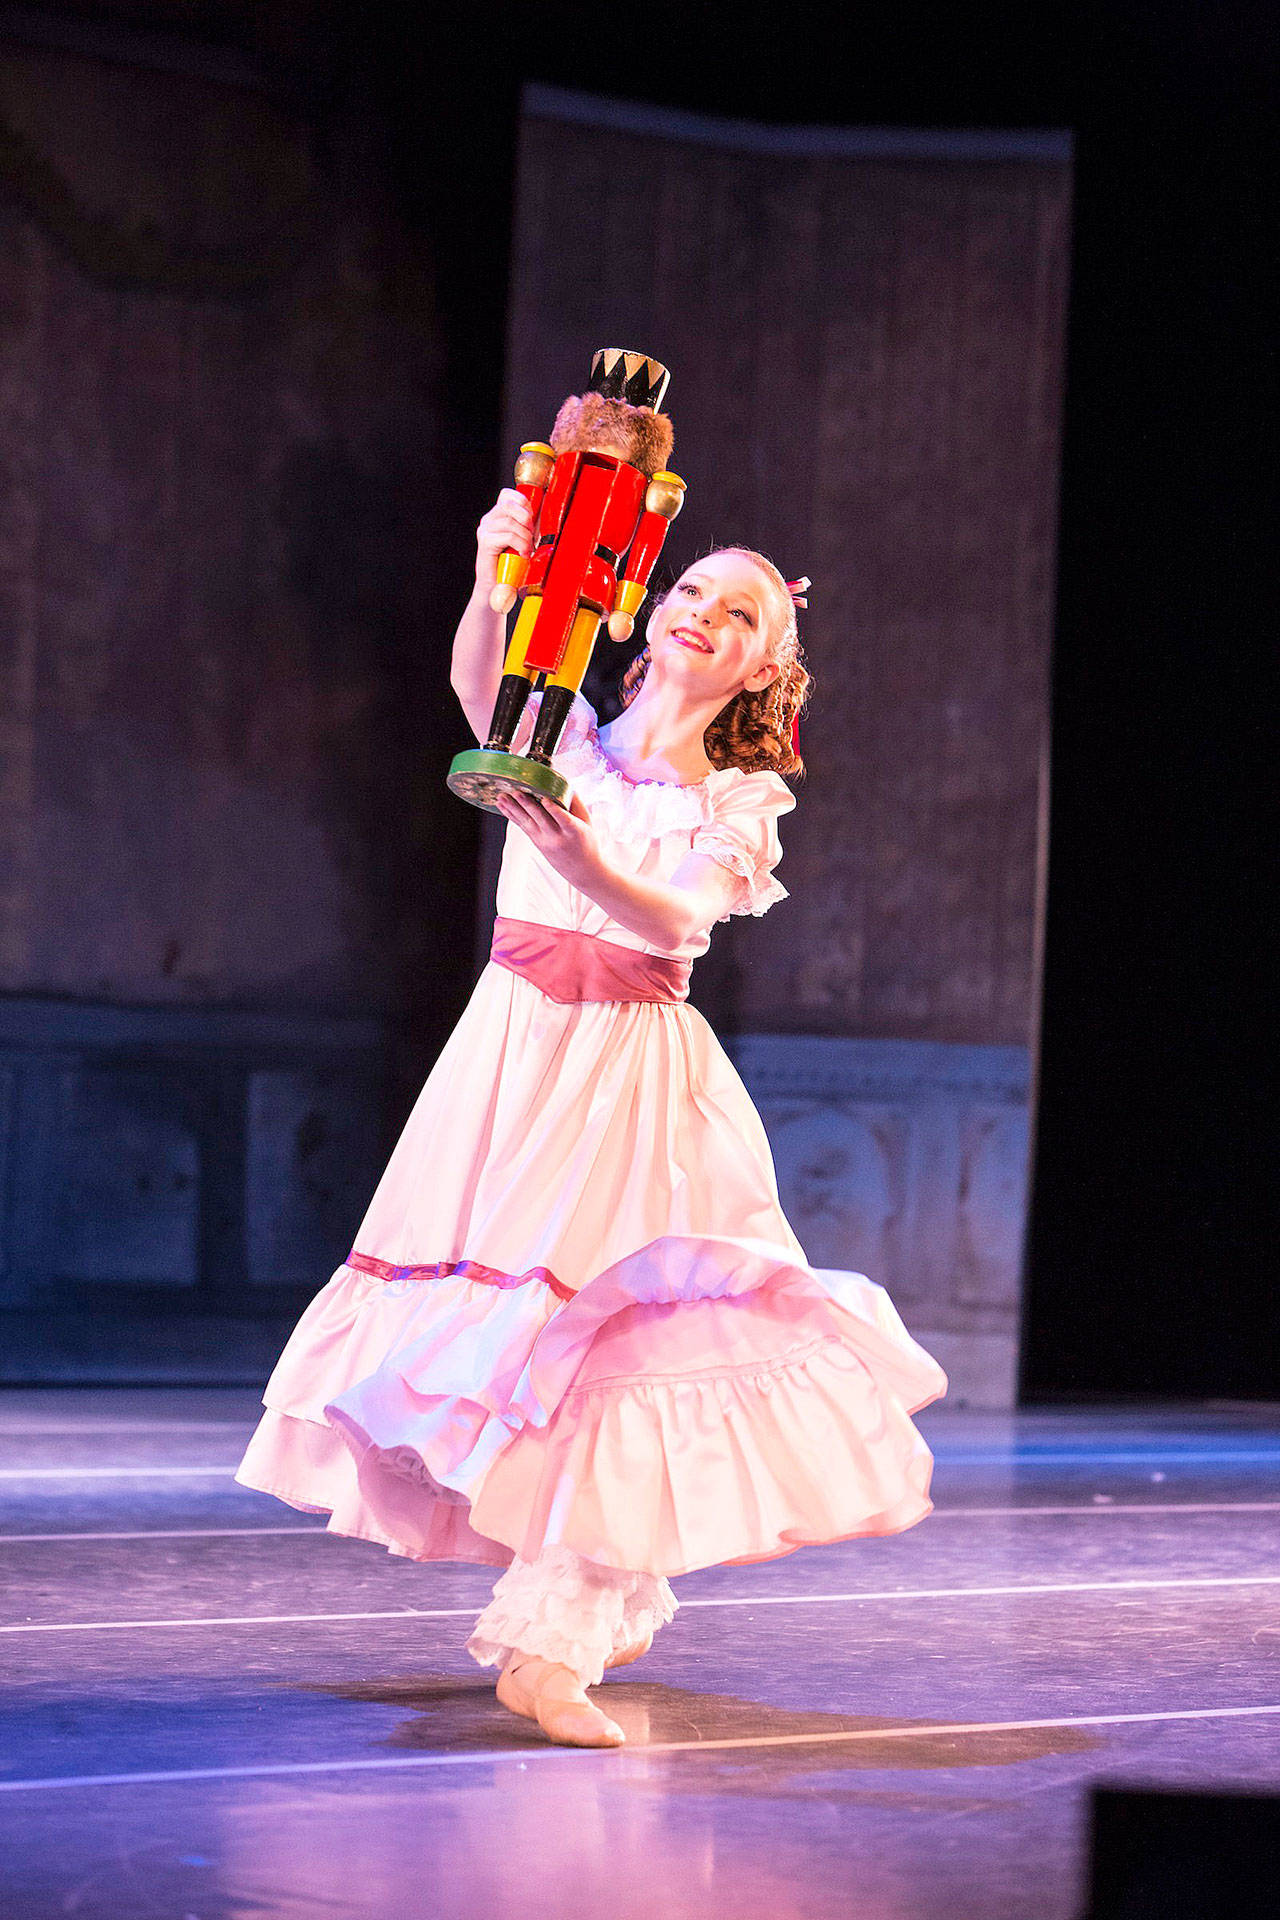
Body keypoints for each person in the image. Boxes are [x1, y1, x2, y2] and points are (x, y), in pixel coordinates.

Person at [235, 484, 948, 1750]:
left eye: (736, 613)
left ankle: (549, 1645)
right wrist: (487, 572)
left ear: (760, 666)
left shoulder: (736, 800)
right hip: (511, 1057)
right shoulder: (562, 733)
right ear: (651, 612)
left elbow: (674, 921)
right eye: (688, 592)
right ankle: (598, 1591)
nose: (701, 616)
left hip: (631, 1078)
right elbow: (477, 688)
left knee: (625, 1335)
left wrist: (576, 859)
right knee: (521, 1334)